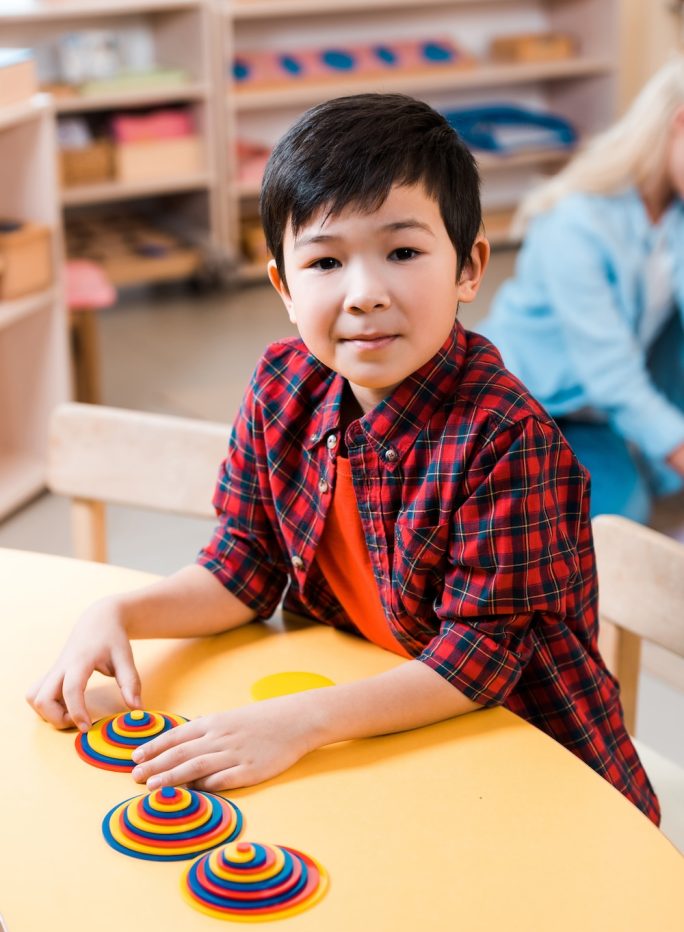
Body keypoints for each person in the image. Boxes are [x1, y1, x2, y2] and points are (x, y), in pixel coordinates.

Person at [27, 93, 659, 824]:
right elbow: (245, 565)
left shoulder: (507, 437)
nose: (364, 295)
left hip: (535, 763)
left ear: (468, 266)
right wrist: (120, 611)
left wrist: (296, 722)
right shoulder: (281, 384)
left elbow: (478, 660)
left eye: (403, 252)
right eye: (326, 261)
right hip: (378, 733)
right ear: (284, 288)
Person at [478, 56, 684, 524]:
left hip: (589, 411)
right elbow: (613, 377)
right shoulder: (577, 222)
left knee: (629, 505)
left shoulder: (675, 217)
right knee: (607, 522)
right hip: (521, 402)